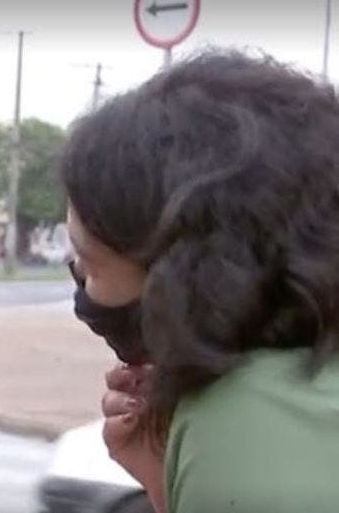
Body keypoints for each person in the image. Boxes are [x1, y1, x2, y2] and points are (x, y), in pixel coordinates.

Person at [63, 50, 339, 512]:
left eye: (89, 265)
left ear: (184, 273)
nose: (84, 288)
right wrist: (165, 475)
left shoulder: (246, 416)